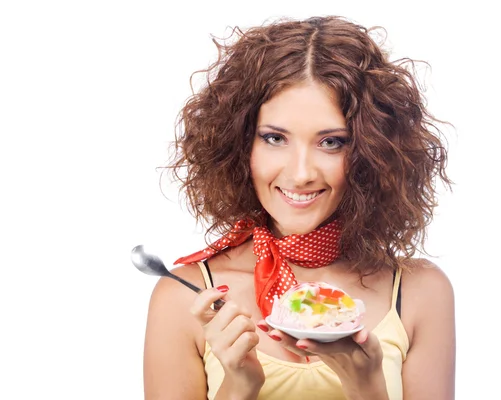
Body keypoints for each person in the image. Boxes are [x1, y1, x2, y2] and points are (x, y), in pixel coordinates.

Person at [143, 15, 455, 400]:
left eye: (331, 142)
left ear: (372, 153)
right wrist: (240, 386)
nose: (301, 172)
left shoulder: (418, 292)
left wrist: (366, 387)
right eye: (275, 138)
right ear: (240, 145)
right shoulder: (186, 295)